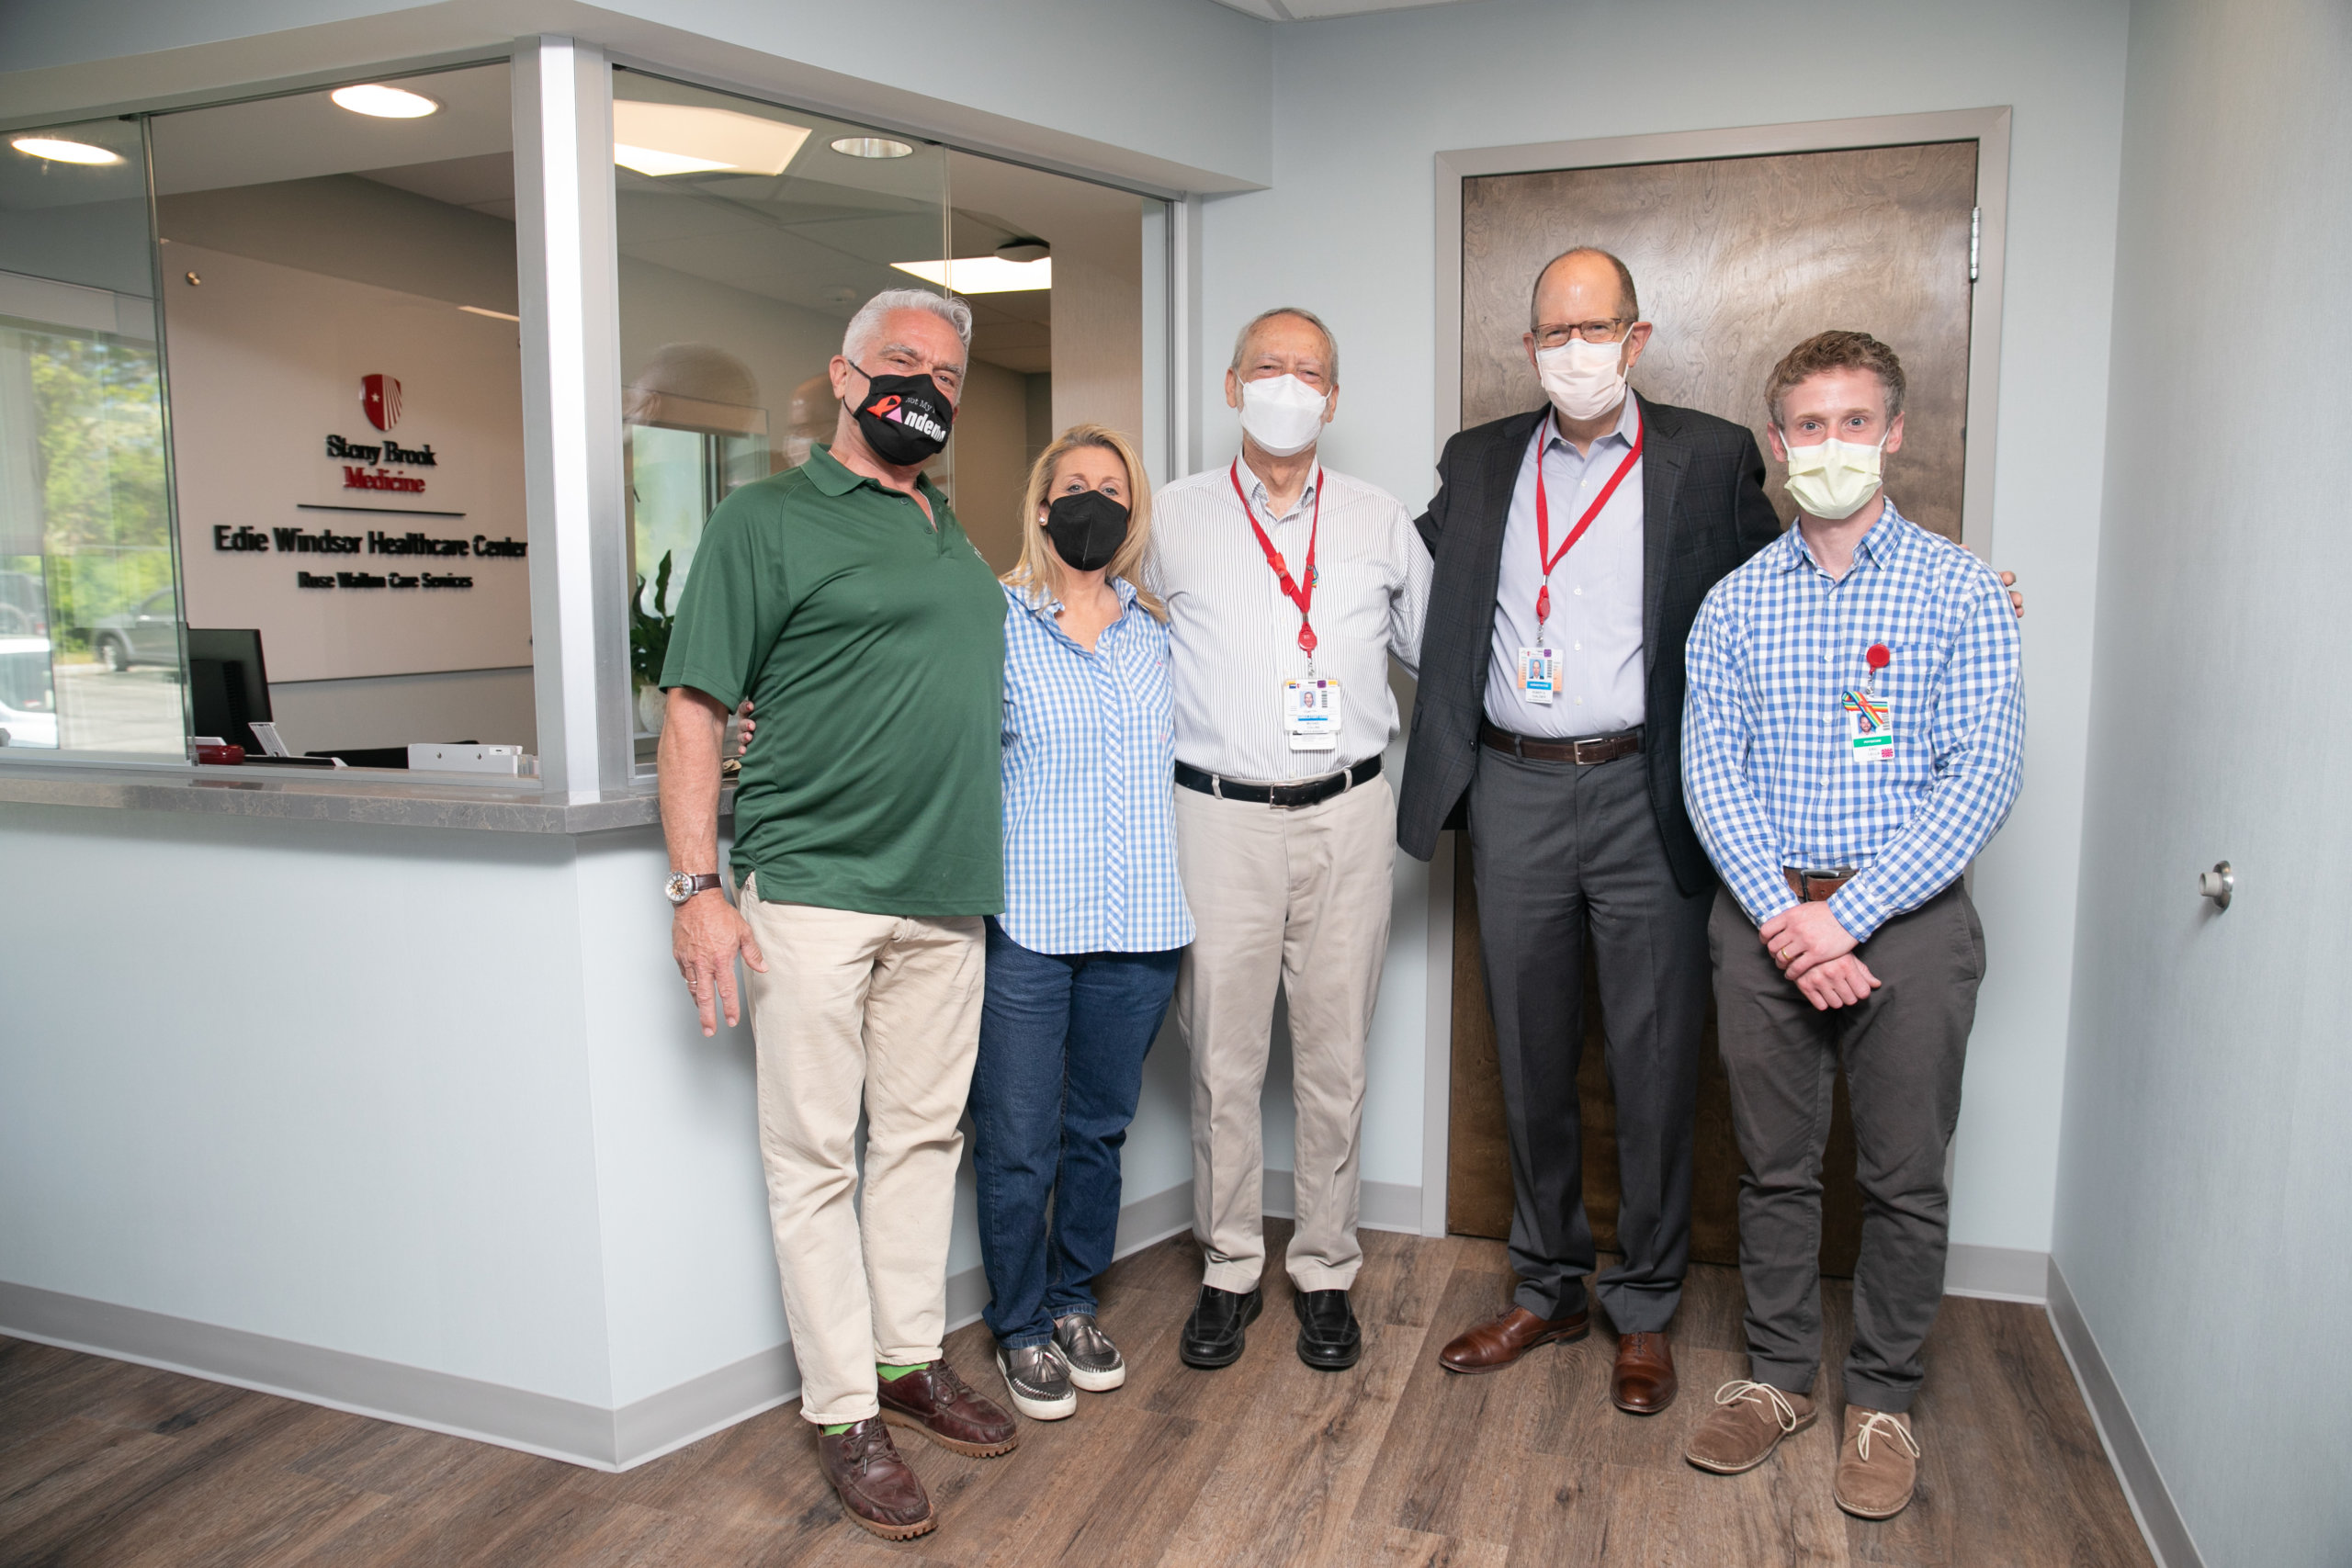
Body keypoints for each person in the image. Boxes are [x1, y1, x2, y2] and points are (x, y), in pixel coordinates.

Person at [657, 288, 1016, 1543]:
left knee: (921, 1142)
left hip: (948, 890)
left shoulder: (951, 529)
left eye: (947, 375)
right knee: (815, 1158)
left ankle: (913, 1360)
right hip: (811, 888)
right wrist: (697, 885)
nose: (925, 385)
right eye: (900, 362)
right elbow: (696, 710)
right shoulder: (766, 518)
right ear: (843, 375)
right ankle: (844, 1409)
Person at [1398, 248, 1781, 1416]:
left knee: (1655, 1058)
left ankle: (1647, 1304)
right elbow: (1388, 575)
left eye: (1594, 327)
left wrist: (1953, 583)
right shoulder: (1475, 463)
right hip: (1511, 788)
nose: (1573, 350)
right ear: (1530, 349)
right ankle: (1548, 1282)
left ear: (1636, 335)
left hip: (1644, 789)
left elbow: (1797, 580)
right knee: (1528, 1051)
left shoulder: (1708, 457)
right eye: (1552, 332)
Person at [1678, 331, 2024, 1521]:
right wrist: (1786, 919)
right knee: (1773, 1168)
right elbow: (1709, 771)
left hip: (1911, 918)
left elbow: (1981, 776)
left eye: (1855, 421)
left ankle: (1881, 1396)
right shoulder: (1731, 605)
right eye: (1809, 426)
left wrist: (1851, 918)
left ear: (1897, 431)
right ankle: (1777, 1376)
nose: (1832, 446)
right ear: (1778, 446)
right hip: (1766, 911)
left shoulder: (1963, 591)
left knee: (1903, 1176)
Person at [1148, 306, 1430, 1372]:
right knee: (1221, 1056)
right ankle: (1228, 1265)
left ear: (1333, 399)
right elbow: (1091, 629)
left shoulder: (1376, 517)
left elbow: (1444, 651)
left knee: (1333, 1055)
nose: (1287, 384)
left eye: (1307, 371)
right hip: (1213, 813)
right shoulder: (1168, 518)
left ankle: (1322, 1266)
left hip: (1348, 809)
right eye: (1267, 366)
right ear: (1231, 386)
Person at [970, 423, 1192, 1422]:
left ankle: (1069, 1303)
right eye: (1073, 486)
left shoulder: (1161, 634)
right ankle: (1016, 1325)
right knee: (1017, 1138)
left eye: (1111, 486)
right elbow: (934, 735)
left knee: (1097, 1131)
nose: (1091, 501)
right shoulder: (995, 620)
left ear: (1132, 507)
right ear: (1042, 503)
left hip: (1140, 925)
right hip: (1029, 922)